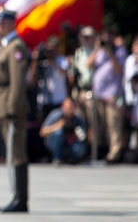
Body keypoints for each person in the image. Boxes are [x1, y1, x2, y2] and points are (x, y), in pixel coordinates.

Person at [0, 7, 30, 213]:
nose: (0, 25)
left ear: (13, 23)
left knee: (17, 153)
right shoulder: (3, 45)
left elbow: (18, 81)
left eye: (4, 22)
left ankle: (20, 198)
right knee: (12, 152)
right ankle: (16, 196)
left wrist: (13, 107)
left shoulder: (15, 47)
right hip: (2, 103)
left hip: (11, 105)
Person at [89, 30, 126, 163]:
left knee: (113, 124)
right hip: (99, 94)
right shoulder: (99, 51)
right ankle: (104, 150)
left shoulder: (119, 51)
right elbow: (89, 64)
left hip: (113, 95)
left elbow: (118, 69)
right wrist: (98, 48)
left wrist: (110, 52)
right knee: (102, 124)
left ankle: (114, 154)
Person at [39, 97, 87, 164]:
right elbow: (42, 132)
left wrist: (77, 135)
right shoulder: (55, 115)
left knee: (80, 149)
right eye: (68, 108)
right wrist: (57, 126)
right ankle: (57, 158)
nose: (69, 110)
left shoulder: (77, 119)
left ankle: (70, 159)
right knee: (58, 133)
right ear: (63, 107)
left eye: (72, 108)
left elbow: (83, 137)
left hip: (70, 144)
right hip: (54, 143)